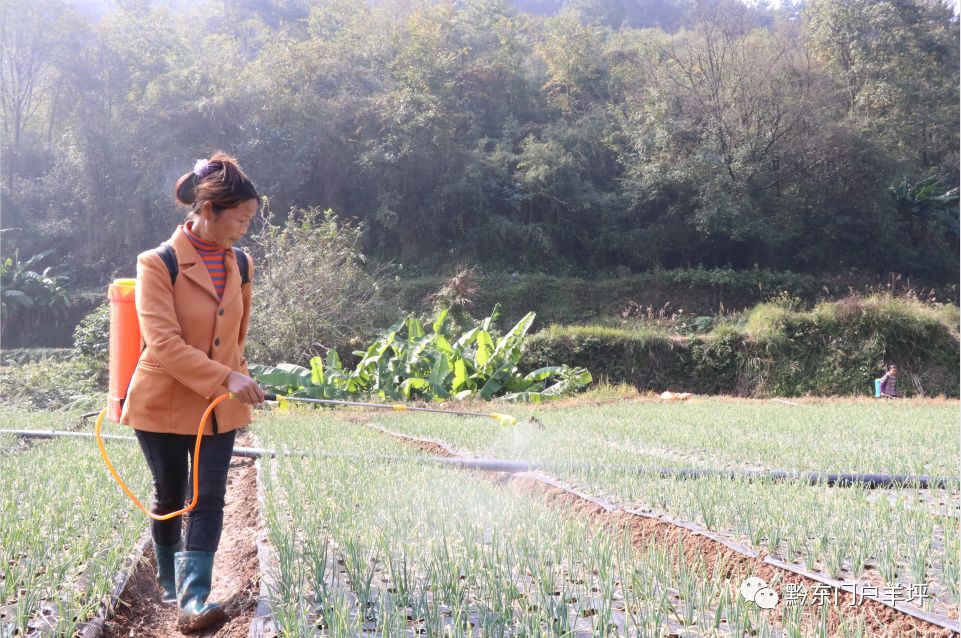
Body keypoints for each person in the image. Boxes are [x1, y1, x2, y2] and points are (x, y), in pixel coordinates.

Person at [119, 152, 266, 632]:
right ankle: (168, 580)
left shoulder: (241, 262)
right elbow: (163, 344)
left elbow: (234, 335)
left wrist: (238, 375)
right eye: (240, 218)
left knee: (208, 497)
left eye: (250, 219)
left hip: (218, 407)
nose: (245, 228)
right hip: (162, 401)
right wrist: (226, 377)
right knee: (171, 494)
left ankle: (194, 600)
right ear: (209, 211)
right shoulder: (157, 263)